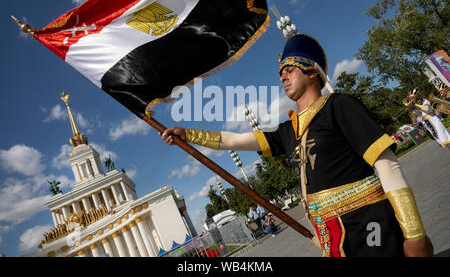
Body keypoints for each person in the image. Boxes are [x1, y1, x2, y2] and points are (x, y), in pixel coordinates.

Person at [160, 33, 433, 257]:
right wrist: (190, 134)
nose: (282, 76)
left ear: (312, 72)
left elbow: (386, 164)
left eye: (289, 69)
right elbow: (233, 140)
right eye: (281, 72)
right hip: (331, 235)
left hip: (370, 224)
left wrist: (414, 234)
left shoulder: (339, 106)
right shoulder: (288, 130)